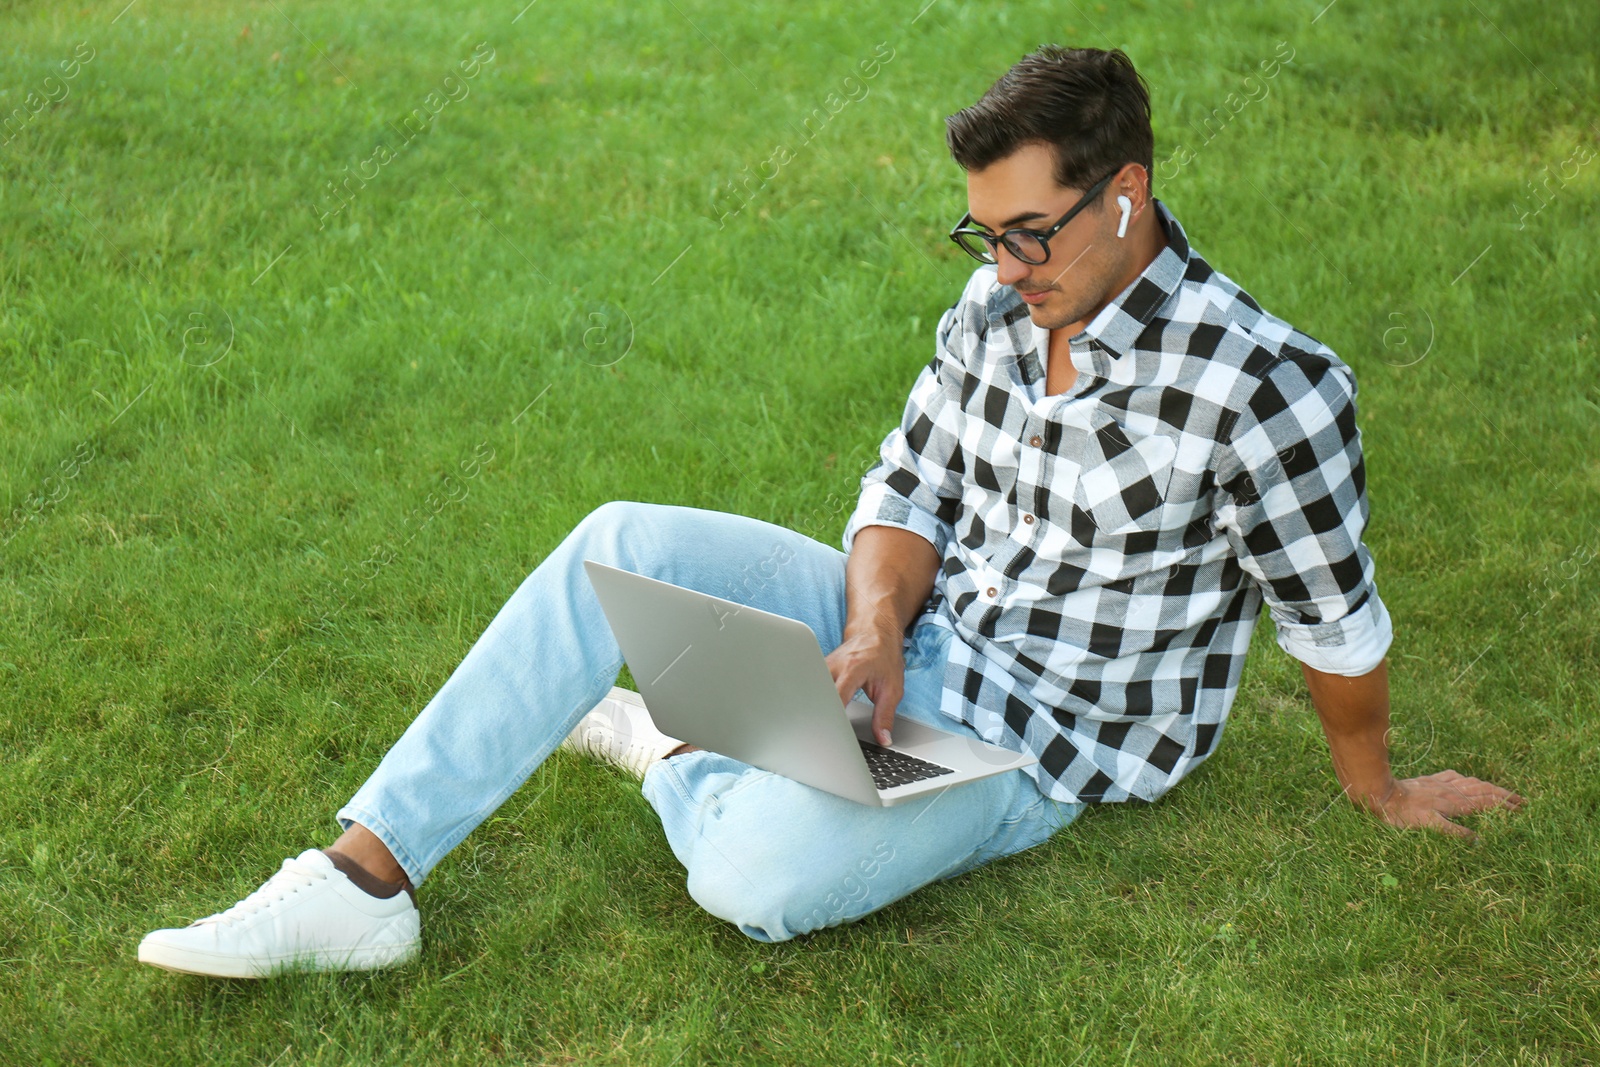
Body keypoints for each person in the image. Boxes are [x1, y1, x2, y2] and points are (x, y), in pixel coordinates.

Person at [138, 45, 1524, 979]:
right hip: (926, 637)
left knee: (758, 884)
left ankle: (668, 744)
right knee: (618, 540)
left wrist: (1377, 787)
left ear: (1128, 196)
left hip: (1043, 743)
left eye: (1029, 233)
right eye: (983, 233)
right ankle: (366, 880)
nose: (1003, 266)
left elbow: (1331, 618)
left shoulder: (1267, 387)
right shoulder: (998, 306)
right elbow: (910, 484)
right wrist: (872, 627)